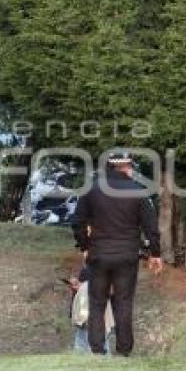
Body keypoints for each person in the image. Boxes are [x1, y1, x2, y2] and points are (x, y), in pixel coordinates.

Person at [73, 152, 162, 356]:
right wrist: (155, 253)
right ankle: (123, 351)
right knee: (123, 301)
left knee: (97, 302)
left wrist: (85, 246)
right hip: (127, 255)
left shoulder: (92, 189)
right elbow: (151, 226)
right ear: (127, 166)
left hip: (99, 253)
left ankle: (97, 350)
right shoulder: (138, 191)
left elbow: (77, 222)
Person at [67, 264, 114, 353]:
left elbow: (84, 307)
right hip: (102, 323)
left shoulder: (85, 289)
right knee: (103, 347)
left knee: (82, 348)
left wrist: (82, 321)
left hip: (88, 324)